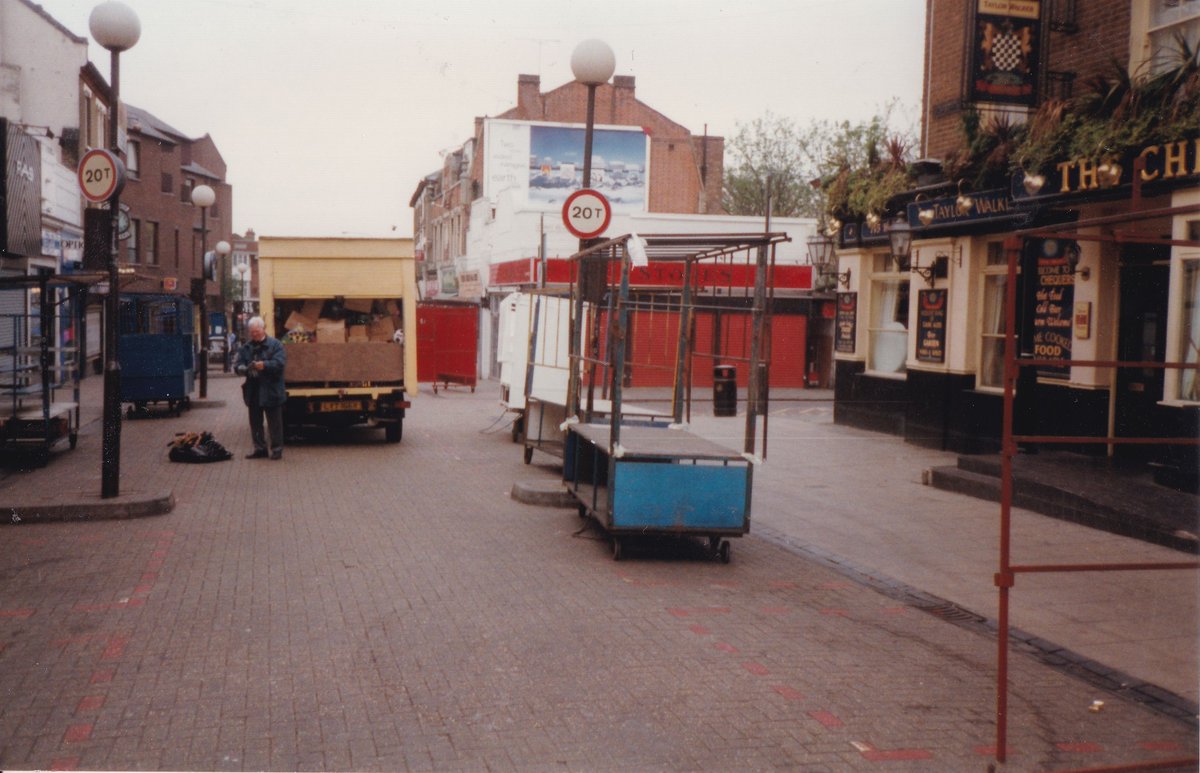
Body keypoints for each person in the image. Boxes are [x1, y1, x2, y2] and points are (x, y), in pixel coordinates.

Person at [234, 316, 287, 460]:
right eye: (252, 332)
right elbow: (237, 365)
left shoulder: (276, 345)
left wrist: (264, 365)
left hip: (271, 389)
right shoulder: (246, 347)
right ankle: (260, 449)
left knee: (274, 423)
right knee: (255, 422)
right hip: (254, 390)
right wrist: (242, 368)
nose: (254, 334)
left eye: (257, 331)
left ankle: (277, 450)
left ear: (263, 329)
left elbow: (280, 363)